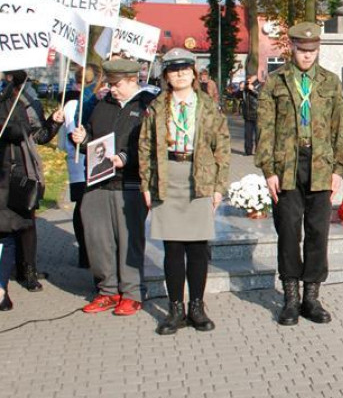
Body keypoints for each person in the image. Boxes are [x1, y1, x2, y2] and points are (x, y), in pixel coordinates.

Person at [256, 22, 343, 326]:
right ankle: (290, 298)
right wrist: (268, 170)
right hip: (287, 165)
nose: (307, 56)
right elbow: (265, 129)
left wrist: (339, 168)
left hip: (320, 164)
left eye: (312, 51)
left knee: (318, 232)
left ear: (317, 49)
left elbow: (341, 127)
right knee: (288, 230)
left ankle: (311, 296)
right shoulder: (275, 82)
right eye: (302, 50)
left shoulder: (330, 82)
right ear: (292, 48)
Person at [139, 48, 231, 335]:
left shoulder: (207, 105)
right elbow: (144, 148)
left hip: (198, 176)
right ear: (166, 75)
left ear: (194, 72)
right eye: (173, 70)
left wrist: (219, 187)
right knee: (173, 249)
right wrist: (146, 184)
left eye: (184, 69)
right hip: (168, 177)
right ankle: (175, 308)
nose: (179, 74)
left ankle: (197, 307)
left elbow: (223, 147)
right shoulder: (156, 107)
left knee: (197, 249)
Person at [71, 59, 157, 316]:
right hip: (97, 182)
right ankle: (107, 290)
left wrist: (126, 157)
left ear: (133, 80)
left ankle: (132, 292)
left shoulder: (147, 106)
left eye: (117, 84)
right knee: (97, 239)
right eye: (110, 83)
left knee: (129, 240)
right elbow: (92, 134)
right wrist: (82, 137)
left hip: (129, 184)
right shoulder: (101, 104)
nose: (112, 89)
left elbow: (152, 144)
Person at [0, 71, 63, 307]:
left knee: (25, 224)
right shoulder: (5, 97)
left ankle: (28, 271)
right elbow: (11, 130)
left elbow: (38, 135)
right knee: (4, 230)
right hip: (2, 172)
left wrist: (53, 122)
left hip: (21, 172)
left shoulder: (25, 99)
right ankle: (2, 286)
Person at [58, 73, 89, 268]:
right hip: (79, 160)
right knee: (82, 206)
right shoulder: (73, 104)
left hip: (86, 161)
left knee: (85, 206)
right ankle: (84, 252)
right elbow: (71, 133)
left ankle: (86, 251)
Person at [240, 74, 261, 156]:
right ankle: (248, 151)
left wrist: (253, 89)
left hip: (257, 113)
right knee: (247, 134)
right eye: (247, 77)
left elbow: (262, 95)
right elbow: (238, 96)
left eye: (250, 77)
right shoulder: (245, 86)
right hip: (247, 114)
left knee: (258, 135)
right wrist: (241, 89)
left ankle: (258, 151)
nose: (249, 79)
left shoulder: (260, 84)